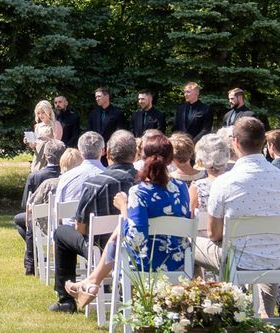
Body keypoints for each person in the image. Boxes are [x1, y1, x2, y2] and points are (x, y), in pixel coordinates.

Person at [66, 130, 191, 308]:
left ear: (141, 157)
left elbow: (135, 240)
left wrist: (124, 208)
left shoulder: (139, 192)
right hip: (179, 260)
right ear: (170, 160)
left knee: (120, 230)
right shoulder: (182, 187)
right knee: (120, 229)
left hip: (146, 263)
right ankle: (92, 281)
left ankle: (93, 281)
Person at [195, 118, 280, 285]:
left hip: (237, 261)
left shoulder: (225, 182)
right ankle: (265, 310)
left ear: (235, 142)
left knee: (190, 245)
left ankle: (202, 304)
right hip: (279, 260)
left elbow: (214, 234)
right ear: (264, 142)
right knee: (267, 249)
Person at [51, 131, 138, 311]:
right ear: (135, 154)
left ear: (109, 154)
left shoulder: (96, 183)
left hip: (100, 248)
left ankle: (65, 300)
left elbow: (81, 228)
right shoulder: (144, 181)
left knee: (60, 233)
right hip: (138, 245)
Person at [13, 140, 66, 275]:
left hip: (41, 219)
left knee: (18, 220)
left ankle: (35, 254)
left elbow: (26, 204)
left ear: (46, 156)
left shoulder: (35, 176)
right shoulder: (68, 175)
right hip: (64, 219)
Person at [24, 99, 58, 168]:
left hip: (49, 158)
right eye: (38, 113)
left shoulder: (55, 124)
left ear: (48, 111)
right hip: (38, 158)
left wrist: (47, 139)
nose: (40, 115)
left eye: (43, 112)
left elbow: (59, 145)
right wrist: (28, 141)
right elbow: (33, 145)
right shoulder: (37, 126)